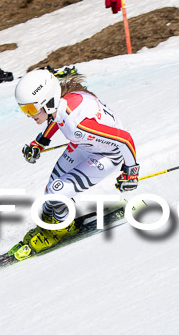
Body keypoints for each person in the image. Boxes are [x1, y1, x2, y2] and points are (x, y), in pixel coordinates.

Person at [8, 69, 139, 260]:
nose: (29, 115)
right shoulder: (59, 107)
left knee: (57, 191)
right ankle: (50, 226)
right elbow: (57, 119)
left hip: (107, 155)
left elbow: (124, 139)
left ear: (47, 101)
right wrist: (40, 142)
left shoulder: (77, 124)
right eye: (24, 110)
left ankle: (58, 231)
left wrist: (131, 172)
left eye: (30, 109)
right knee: (50, 193)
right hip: (83, 146)